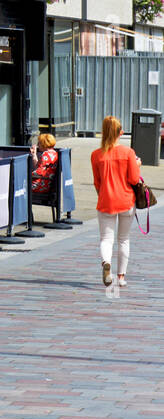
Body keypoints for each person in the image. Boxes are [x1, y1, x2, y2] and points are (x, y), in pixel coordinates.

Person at [90, 115, 142, 289]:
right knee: (124, 239)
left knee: (106, 239)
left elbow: (97, 182)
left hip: (106, 201)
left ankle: (106, 262)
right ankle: (120, 277)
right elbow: (134, 179)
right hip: (126, 200)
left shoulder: (96, 155)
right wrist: (138, 165)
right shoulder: (128, 153)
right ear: (121, 132)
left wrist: (102, 193)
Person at [31, 133, 60, 199]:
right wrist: (34, 154)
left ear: (44, 144)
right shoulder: (54, 153)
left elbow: (39, 173)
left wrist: (26, 175)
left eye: (39, 143)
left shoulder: (45, 155)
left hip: (40, 186)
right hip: (48, 185)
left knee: (19, 187)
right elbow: (40, 167)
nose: (38, 145)